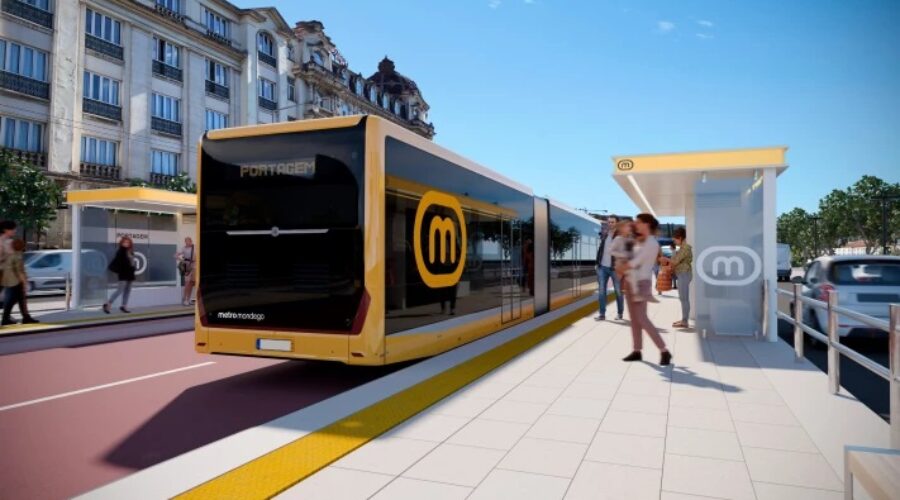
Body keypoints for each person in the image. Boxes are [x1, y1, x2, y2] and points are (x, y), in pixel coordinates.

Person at [618, 213, 672, 366]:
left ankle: (664, 351)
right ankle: (637, 351)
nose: (635, 224)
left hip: (641, 283)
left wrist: (621, 268)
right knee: (634, 320)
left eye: (638, 222)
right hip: (631, 281)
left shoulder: (651, 244)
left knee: (642, 319)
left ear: (646, 224)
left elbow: (635, 262)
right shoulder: (639, 241)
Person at [1, 239, 39, 326]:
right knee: (11, 300)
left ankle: (25, 317)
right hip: (16, 281)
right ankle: (6, 319)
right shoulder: (18, 256)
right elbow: (19, 271)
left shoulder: (11, 255)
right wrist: (25, 283)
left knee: (20, 300)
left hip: (10, 280)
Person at [662, 227, 693, 328]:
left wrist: (665, 258)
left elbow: (675, 261)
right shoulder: (683, 248)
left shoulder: (686, 248)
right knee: (683, 298)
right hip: (682, 274)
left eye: (675, 239)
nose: (674, 241)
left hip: (684, 274)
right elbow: (675, 260)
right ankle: (684, 319)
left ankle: (685, 321)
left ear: (680, 238)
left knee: (684, 298)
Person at [595, 215, 624, 321]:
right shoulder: (605, 234)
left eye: (612, 222)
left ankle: (620, 313)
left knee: (618, 291)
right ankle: (602, 314)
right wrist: (597, 263)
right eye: (609, 222)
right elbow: (601, 249)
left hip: (614, 268)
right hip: (602, 267)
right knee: (602, 291)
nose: (610, 224)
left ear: (617, 223)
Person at [104, 236, 136, 314]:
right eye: (125, 242)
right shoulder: (120, 251)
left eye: (128, 242)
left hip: (130, 273)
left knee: (127, 291)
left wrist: (133, 268)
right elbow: (119, 263)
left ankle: (124, 306)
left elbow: (132, 262)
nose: (126, 244)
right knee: (120, 290)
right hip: (123, 273)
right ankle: (108, 304)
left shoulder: (130, 251)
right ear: (122, 243)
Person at [609, 221, 638, 299]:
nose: (629, 228)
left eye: (630, 227)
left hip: (629, 264)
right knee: (619, 283)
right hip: (620, 264)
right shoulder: (618, 239)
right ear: (621, 228)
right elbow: (611, 251)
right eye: (627, 227)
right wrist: (622, 255)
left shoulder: (631, 239)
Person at [176, 237, 196, 306]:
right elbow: (175, 255)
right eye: (186, 242)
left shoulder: (195, 247)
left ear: (191, 241)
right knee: (187, 283)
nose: (187, 243)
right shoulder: (183, 248)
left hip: (194, 266)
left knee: (191, 283)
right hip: (187, 266)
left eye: (188, 241)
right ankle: (184, 299)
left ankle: (188, 299)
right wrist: (182, 261)